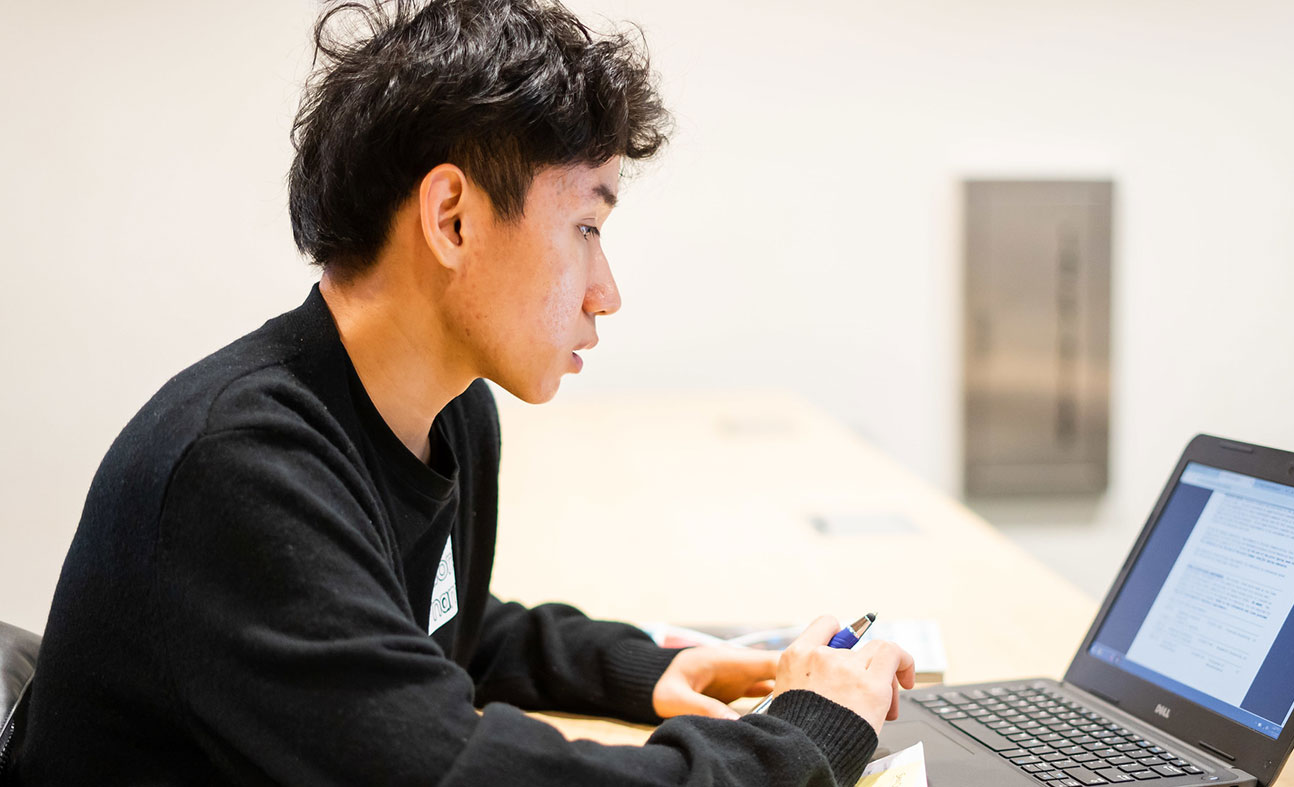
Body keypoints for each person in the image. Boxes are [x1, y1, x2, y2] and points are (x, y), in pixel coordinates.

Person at [6, 1, 915, 785]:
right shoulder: (240, 469)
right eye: (586, 226)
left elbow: (434, 629)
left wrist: (641, 670)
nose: (607, 290)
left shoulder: (446, 411)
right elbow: (460, 773)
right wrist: (807, 735)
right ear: (452, 220)